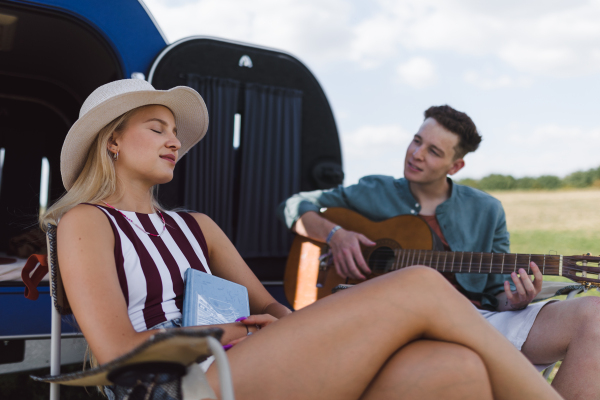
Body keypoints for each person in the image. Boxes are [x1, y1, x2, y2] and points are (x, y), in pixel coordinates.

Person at [41, 80, 561, 400]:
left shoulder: (195, 226)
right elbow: (116, 351)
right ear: (111, 139)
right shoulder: (87, 221)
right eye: (156, 129)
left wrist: (343, 330)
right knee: (420, 283)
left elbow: (269, 305)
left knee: (454, 369)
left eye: (173, 131)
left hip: (243, 362)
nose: (174, 141)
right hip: (173, 384)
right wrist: (233, 331)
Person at [278, 105, 600, 400]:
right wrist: (336, 234)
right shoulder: (371, 191)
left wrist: (515, 299)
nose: (416, 154)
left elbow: (497, 296)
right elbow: (293, 205)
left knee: (594, 315)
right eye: (416, 141)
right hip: (385, 321)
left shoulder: (487, 210)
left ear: (455, 165)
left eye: (433, 151)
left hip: (475, 321)